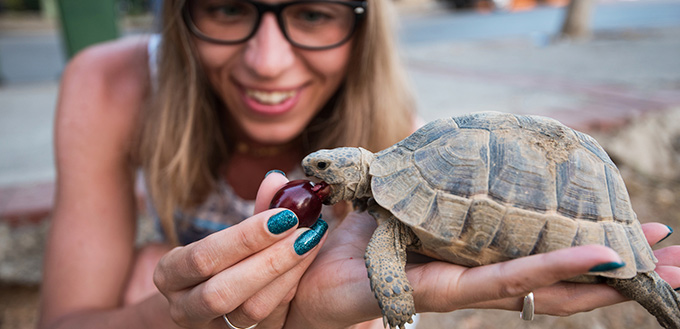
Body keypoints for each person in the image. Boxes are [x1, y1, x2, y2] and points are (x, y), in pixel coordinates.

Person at [38, 0, 680, 328]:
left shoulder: (401, 141)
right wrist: (178, 316)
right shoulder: (109, 85)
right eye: (228, 5)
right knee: (146, 270)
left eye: (312, 12)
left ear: (362, 24)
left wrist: (321, 321)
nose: (267, 61)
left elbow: (386, 259)